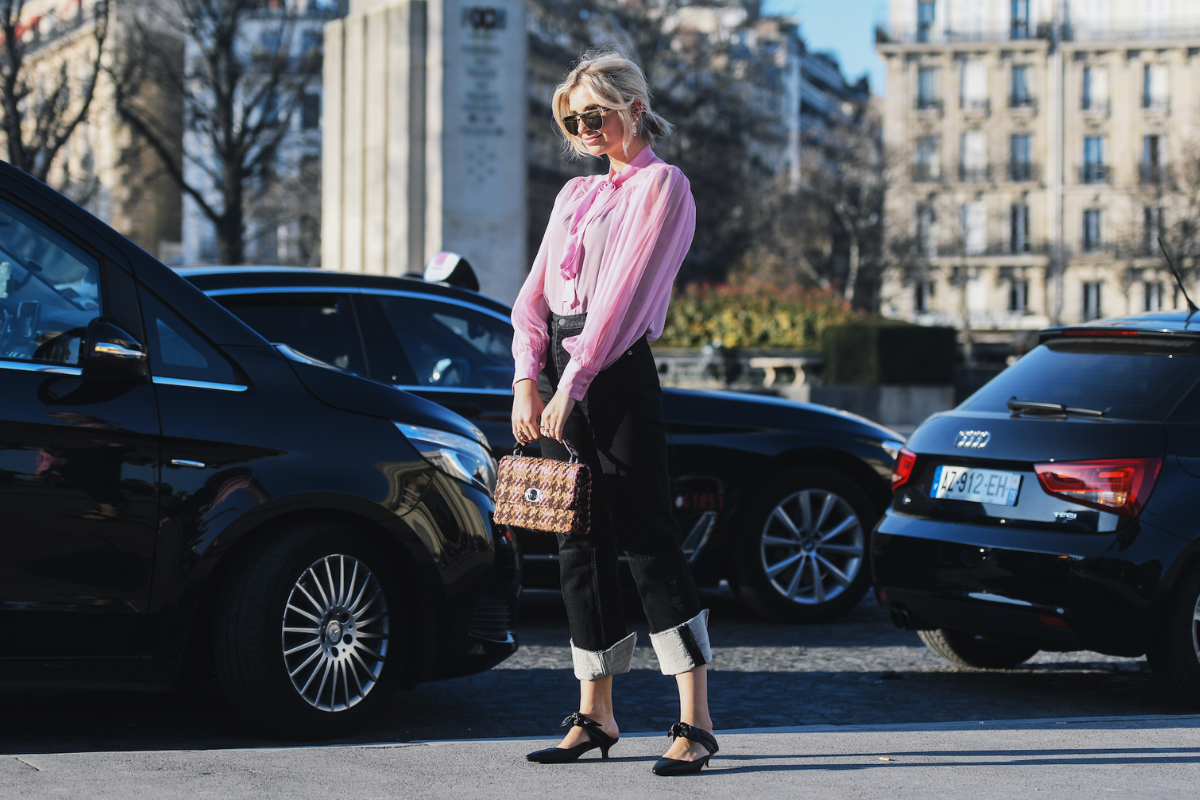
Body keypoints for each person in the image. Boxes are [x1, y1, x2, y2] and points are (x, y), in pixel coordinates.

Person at [510, 50, 718, 777]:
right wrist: (526, 377)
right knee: (576, 544)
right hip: (565, 369)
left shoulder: (665, 186)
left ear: (632, 104)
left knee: (647, 539)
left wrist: (577, 379)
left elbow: (626, 294)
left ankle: (695, 721)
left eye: (594, 114)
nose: (583, 128)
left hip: (618, 370)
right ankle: (594, 715)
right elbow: (532, 296)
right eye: (571, 119)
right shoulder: (573, 196)